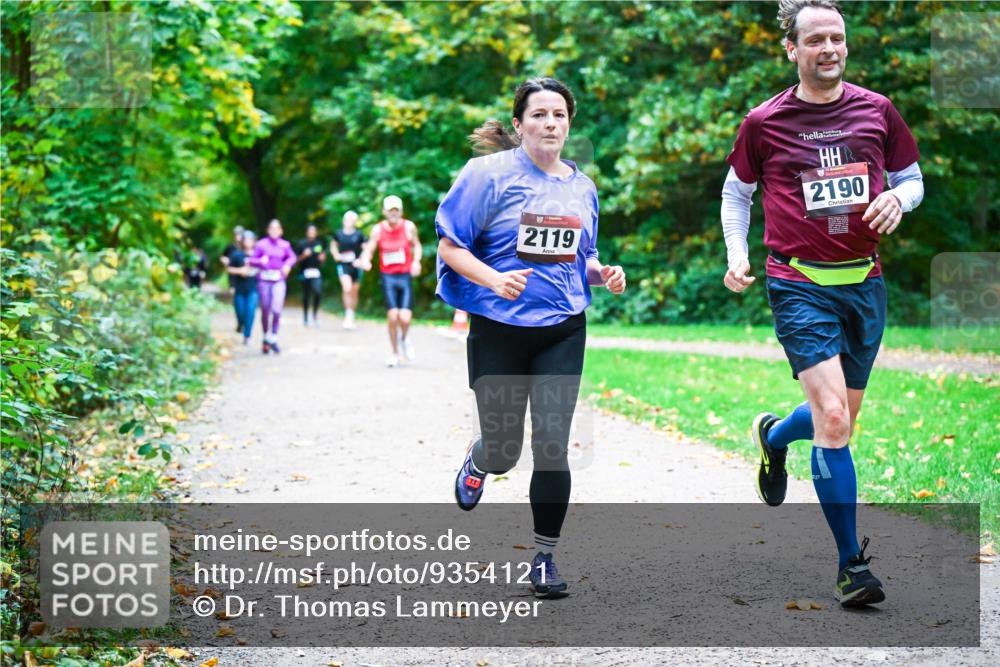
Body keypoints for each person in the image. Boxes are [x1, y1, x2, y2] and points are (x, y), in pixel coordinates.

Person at [721, 0, 923, 608]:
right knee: (833, 421)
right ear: (792, 49)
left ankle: (775, 436)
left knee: (839, 419)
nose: (829, 48)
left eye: (837, 37)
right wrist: (737, 253)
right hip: (798, 281)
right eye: (815, 40)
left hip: (864, 283)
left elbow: (912, 178)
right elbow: (737, 193)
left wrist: (900, 201)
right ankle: (850, 565)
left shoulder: (877, 110)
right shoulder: (765, 121)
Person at [436, 77, 626, 599]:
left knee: (551, 444)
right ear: (519, 125)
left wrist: (604, 273)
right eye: (539, 114)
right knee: (505, 451)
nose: (550, 123)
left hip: (561, 329)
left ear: (569, 124)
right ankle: (481, 460)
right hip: (498, 328)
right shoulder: (485, 176)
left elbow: (583, 259)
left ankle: (544, 558)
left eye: (559, 115)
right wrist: (494, 279)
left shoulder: (582, 187)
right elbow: (451, 246)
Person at [357, 196, 422, 367]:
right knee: (393, 317)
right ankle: (394, 353)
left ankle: (404, 339)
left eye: (396, 210)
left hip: (404, 275)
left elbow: (417, 245)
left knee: (405, 318)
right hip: (388, 277)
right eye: (390, 210)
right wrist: (366, 259)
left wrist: (416, 261)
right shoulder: (378, 230)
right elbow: (369, 249)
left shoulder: (408, 227)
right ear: (384, 212)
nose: (393, 213)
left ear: (401, 211)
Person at [249, 219, 297, 354]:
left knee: (277, 309)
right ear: (268, 230)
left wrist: (287, 265)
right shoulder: (261, 244)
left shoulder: (285, 245)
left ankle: (274, 336)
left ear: (281, 231)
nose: (274, 231)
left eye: (277, 229)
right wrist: (260, 261)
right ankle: (266, 336)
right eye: (272, 228)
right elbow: (251, 260)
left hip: (278, 279)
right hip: (264, 280)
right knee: (265, 308)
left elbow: (292, 257)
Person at [330, 211, 367, 330]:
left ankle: (352, 314)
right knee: (347, 288)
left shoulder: (359, 234)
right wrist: (336, 255)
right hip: (343, 265)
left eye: (352, 220)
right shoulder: (338, 234)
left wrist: (361, 259)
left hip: (356, 266)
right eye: (347, 219)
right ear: (344, 220)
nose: (349, 222)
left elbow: (366, 249)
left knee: (354, 291)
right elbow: (333, 246)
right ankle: (347, 315)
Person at [225, 231, 259, 345]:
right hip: (239, 288)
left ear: (254, 241)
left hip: (253, 288)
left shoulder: (257, 255)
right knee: (240, 312)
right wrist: (240, 271)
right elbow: (229, 269)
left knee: (250, 311)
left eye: (250, 240)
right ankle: (241, 325)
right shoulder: (236, 255)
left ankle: (247, 335)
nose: (248, 242)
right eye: (246, 240)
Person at [295, 223, 327, 327]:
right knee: (306, 295)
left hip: (316, 272)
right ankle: (305, 317)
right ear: (307, 232)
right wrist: (303, 256)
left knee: (318, 292)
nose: (312, 233)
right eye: (310, 231)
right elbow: (295, 260)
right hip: (305, 272)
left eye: (314, 231)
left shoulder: (319, 244)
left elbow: (323, 258)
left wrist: (322, 259)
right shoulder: (301, 243)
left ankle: (315, 315)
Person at [221, 226, 245, 331]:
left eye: (240, 234)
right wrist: (225, 261)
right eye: (236, 234)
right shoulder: (230, 247)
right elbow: (223, 256)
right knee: (237, 300)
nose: (238, 236)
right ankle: (240, 322)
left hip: (247, 278)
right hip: (233, 278)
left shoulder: (248, 246)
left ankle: (244, 321)